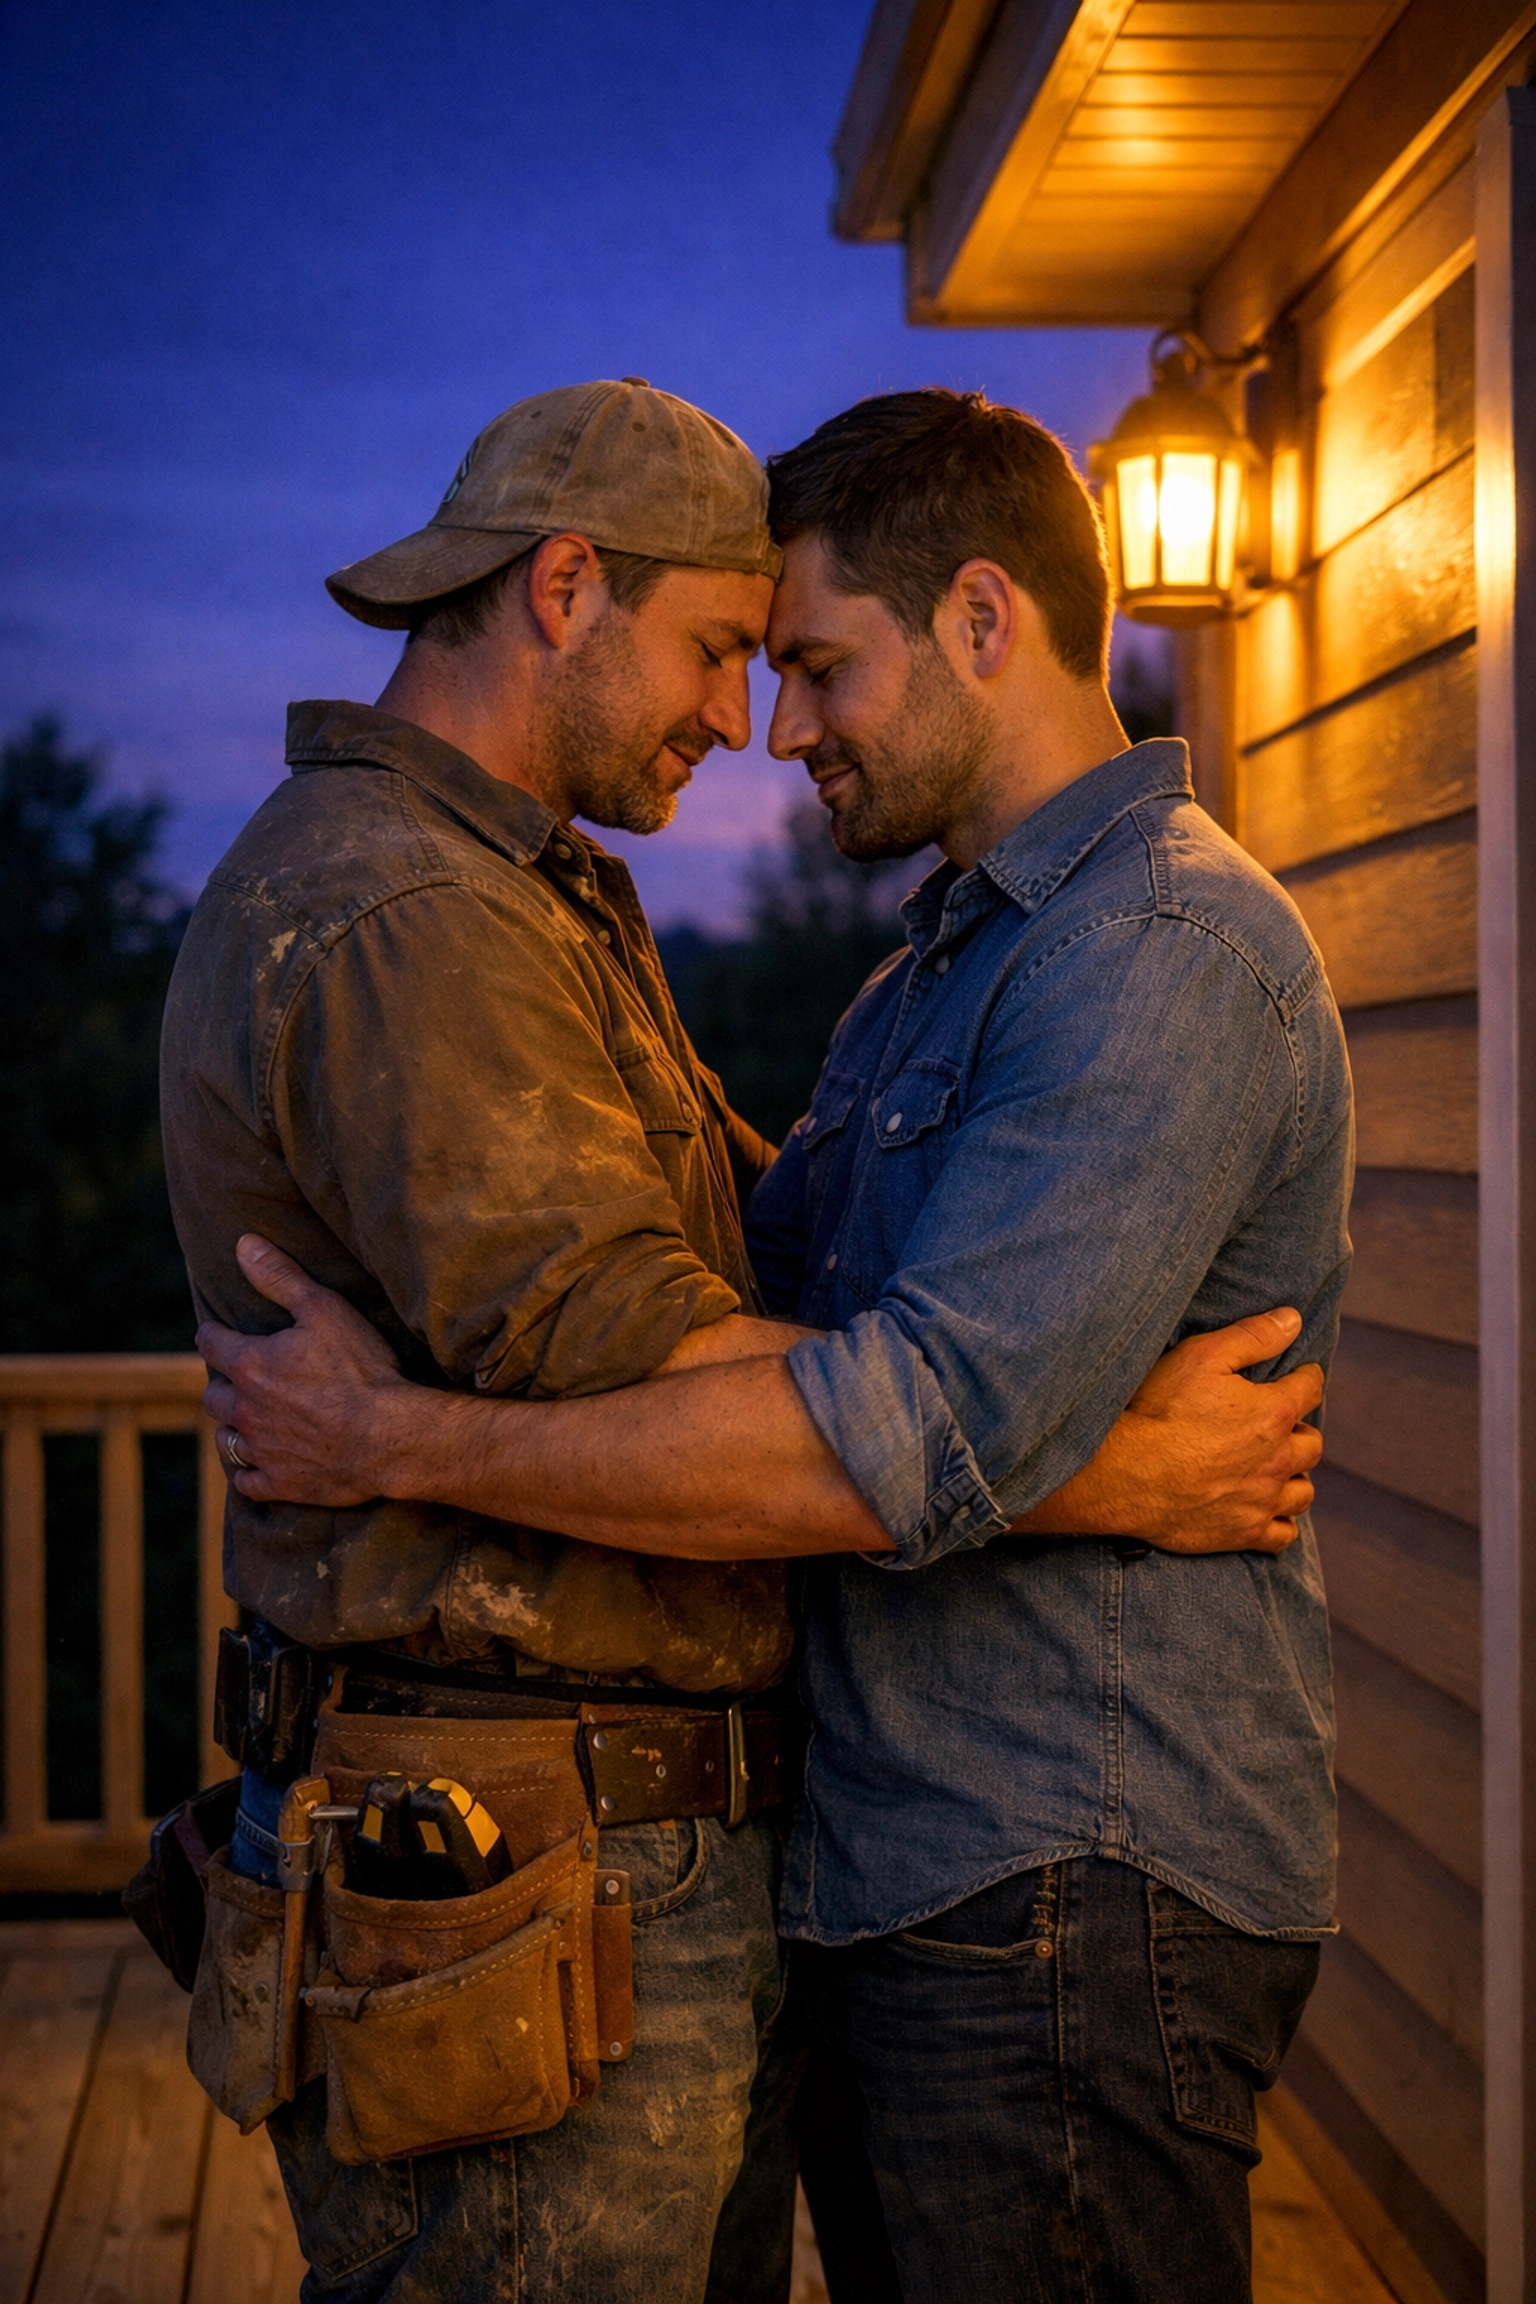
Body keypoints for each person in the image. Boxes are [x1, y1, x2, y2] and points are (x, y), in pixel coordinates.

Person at [177, 382, 1331, 2304]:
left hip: (1064, 1873)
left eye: (800, 663)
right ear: (565, 587)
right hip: (861, 1876)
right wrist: (1110, 1463)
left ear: (981, 620)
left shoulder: (1158, 951)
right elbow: (761, 1338)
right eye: (733, 655)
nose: (761, 725)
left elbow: (883, 1396)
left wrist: (402, 1440)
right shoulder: (860, 969)